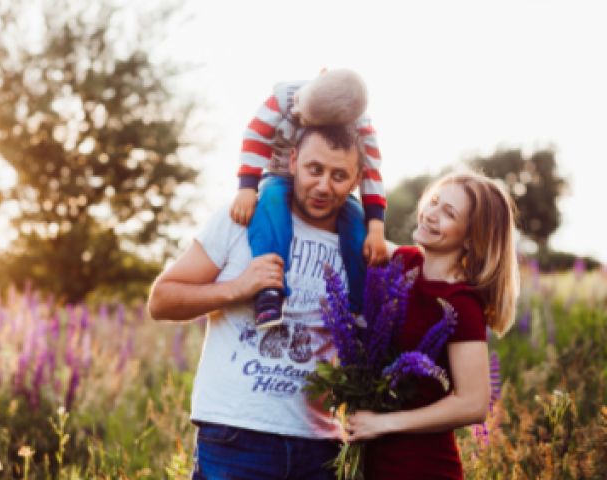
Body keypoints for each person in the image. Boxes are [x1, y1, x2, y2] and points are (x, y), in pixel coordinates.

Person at [148, 124, 368, 480]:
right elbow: (161, 300)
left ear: (357, 179)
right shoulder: (240, 219)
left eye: (339, 175)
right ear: (293, 161)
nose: (324, 186)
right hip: (236, 437)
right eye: (315, 169)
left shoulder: (358, 247)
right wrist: (237, 287)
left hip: (321, 445)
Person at [345, 170, 520, 479]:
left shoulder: (460, 302)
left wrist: (384, 423)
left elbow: (474, 404)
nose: (430, 215)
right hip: (377, 461)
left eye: (448, 213)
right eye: (435, 202)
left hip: (423, 466)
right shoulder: (407, 261)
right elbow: (353, 226)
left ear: (470, 237)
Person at [230, 68, 388, 329]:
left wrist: (377, 228)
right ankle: (269, 291)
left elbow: (371, 173)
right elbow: (255, 136)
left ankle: (360, 308)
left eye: (303, 118)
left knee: (357, 225)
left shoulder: (361, 127)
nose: (295, 113)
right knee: (271, 204)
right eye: (300, 107)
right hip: (280, 173)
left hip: (329, 182)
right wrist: (247, 186)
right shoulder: (285, 97)